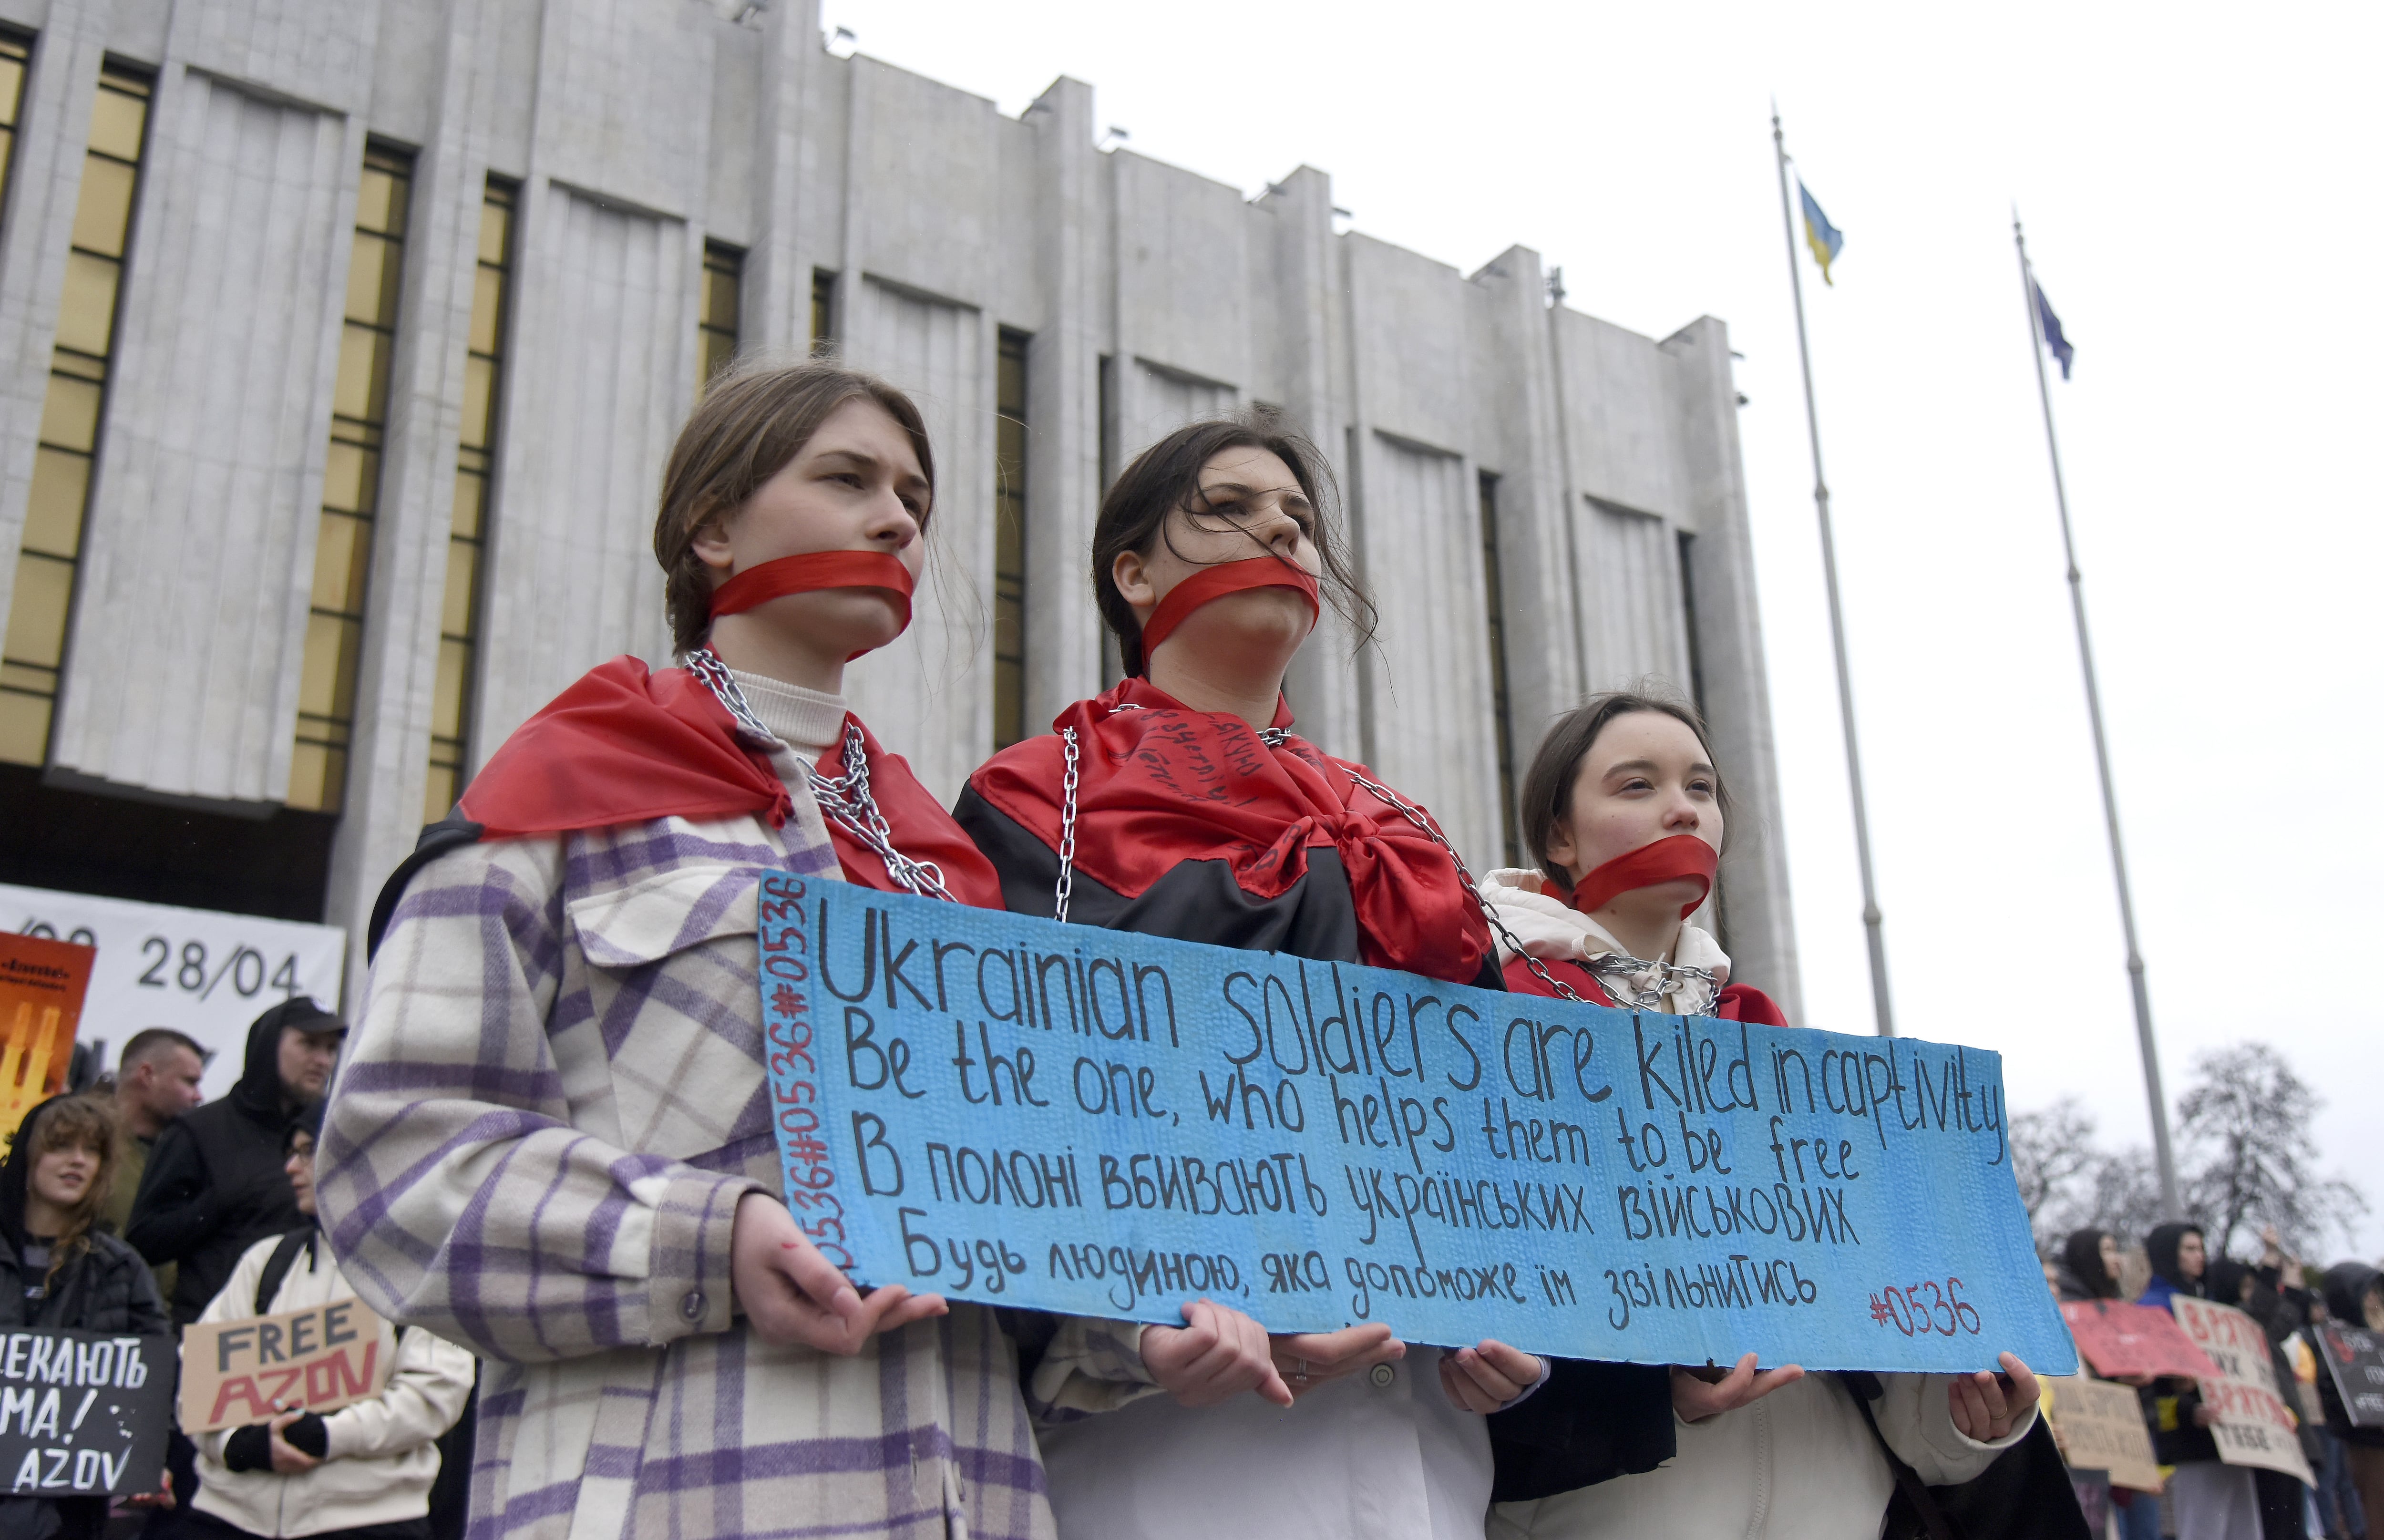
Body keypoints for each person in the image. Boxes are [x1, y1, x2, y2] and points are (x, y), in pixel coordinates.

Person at [319, 362, 1048, 1540]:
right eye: (848, 478)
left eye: (915, 494)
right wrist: (705, 1237)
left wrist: (1150, 1323)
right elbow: (395, 1162)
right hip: (678, 1490)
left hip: (978, 1492)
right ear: (711, 525)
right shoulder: (567, 793)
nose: (900, 517)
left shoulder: (945, 862)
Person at [953, 414, 1665, 1540]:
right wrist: (1135, 1319)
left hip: (1426, 1446)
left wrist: (1521, 1321)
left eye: (1297, 515)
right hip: (1168, 1446)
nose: (1283, 527)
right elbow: (1007, 1112)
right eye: (1232, 506)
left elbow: (1494, 1125)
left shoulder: (1402, 823)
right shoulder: (1037, 797)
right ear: (1131, 571)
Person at [1477, 695, 2062, 1539]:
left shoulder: (1772, 1039)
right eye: (1638, 785)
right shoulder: (1487, 1018)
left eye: (1702, 787)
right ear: (1560, 836)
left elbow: (1890, 1410)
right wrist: (1641, 1391)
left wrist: (1968, 1416)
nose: (1684, 807)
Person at [185, 1108, 473, 1540]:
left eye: (306, 1152)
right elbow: (199, 1379)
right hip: (231, 1519)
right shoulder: (266, 1261)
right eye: (290, 1153)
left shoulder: (420, 1267)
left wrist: (328, 1436)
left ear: (356, 1158)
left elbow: (435, 1393)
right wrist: (235, 1444)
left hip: (365, 1524)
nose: (290, 1168)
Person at [0, 1095, 174, 1540]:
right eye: (61, 1146)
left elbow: (152, 1380)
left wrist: (150, 1458)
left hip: (68, 1517)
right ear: (28, 1155)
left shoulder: (120, 1267)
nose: (78, 1161)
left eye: (92, 1150)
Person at [127, 999, 341, 1325]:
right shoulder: (199, 1130)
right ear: (270, 1046)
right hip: (214, 1337)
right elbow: (143, 1239)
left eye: (330, 1048)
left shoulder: (333, 1136)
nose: (323, 1060)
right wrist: (215, 1205)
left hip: (304, 1342)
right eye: (309, 1044)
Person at [2141, 1222, 2264, 1540]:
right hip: (2190, 1441)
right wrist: (2188, 1409)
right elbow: (2152, 1390)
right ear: (2169, 1254)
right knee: (2202, 1527)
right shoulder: (2151, 1310)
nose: (2200, 1256)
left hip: (2231, 1436)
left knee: (2244, 1528)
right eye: (2190, 1249)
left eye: (2201, 1248)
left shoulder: (2210, 1305)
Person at [2206, 1256, 2315, 1540]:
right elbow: (2270, 1314)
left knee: (2291, 1522)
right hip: (2255, 1442)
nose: (2253, 1299)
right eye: (2246, 1289)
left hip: (2280, 1434)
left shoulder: (2261, 1331)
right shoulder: (2225, 1326)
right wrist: (2274, 1274)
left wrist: (2290, 1288)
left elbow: (2281, 1321)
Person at [99, 1029, 207, 1291]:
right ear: (147, 1075)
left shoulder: (192, 1158)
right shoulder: (87, 1146)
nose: (199, 1096)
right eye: (189, 1082)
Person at [2314, 1264, 2384, 1533]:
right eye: (2368, 1294)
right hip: (2369, 1448)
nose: (2375, 1301)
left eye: (2378, 1294)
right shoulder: (2338, 1344)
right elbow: (2336, 1403)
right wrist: (2370, 1419)